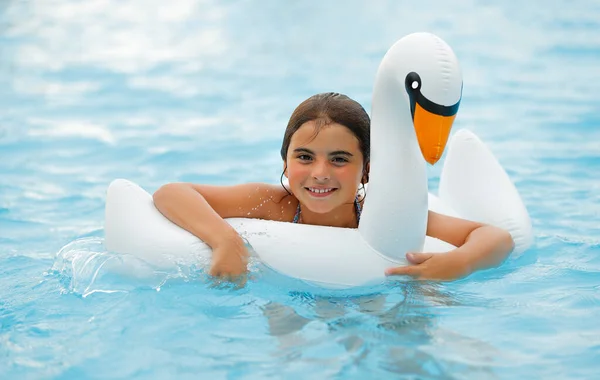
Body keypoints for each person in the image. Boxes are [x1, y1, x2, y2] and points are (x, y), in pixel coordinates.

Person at [153, 92, 514, 283]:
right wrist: (226, 240)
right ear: (285, 162)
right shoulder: (271, 203)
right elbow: (171, 193)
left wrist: (461, 263)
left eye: (340, 159)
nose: (320, 173)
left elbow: (495, 237)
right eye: (305, 157)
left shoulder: (382, 215)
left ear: (367, 170)